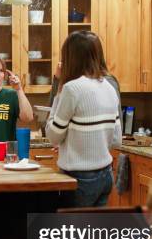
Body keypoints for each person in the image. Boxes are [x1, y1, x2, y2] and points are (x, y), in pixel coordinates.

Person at [46, 31, 122, 208]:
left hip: (79, 178)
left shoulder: (72, 89)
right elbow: (116, 140)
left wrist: (58, 92)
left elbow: (53, 136)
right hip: (105, 175)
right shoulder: (110, 87)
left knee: (74, 233)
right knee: (95, 232)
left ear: (71, 58)